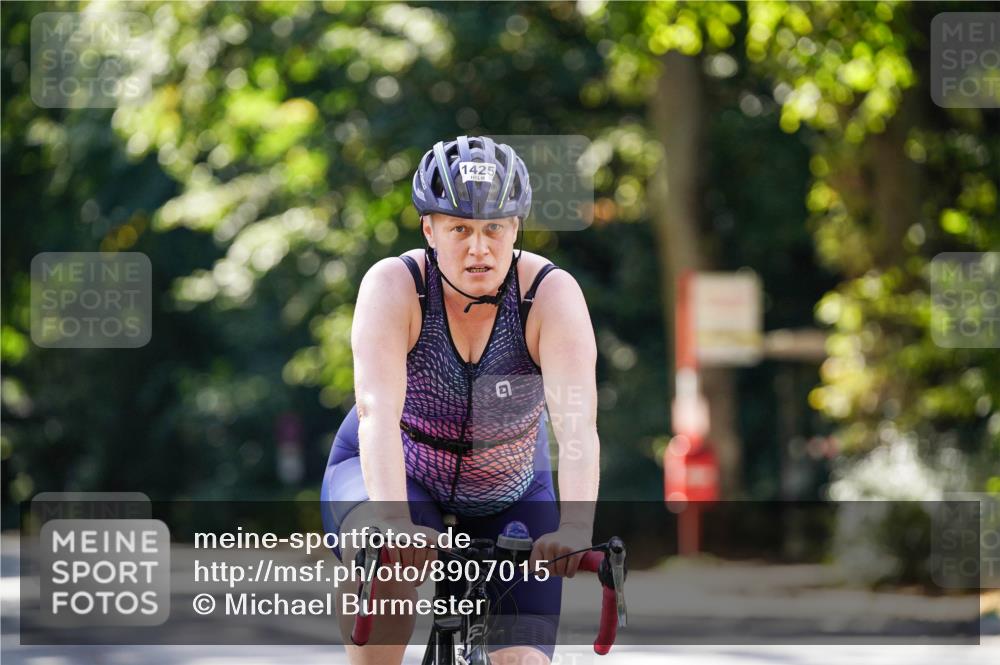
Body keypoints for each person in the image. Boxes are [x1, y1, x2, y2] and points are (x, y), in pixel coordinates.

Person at [321, 136, 600, 665]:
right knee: (390, 569)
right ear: (429, 229)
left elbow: (577, 425)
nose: (480, 248)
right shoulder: (395, 287)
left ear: (516, 228)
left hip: (512, 484)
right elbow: (377, 416)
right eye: (460, 230)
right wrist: (395, 522)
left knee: (523, 660)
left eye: (495, 228)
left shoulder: (550, 295)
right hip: (395, 470)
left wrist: (576, 530)